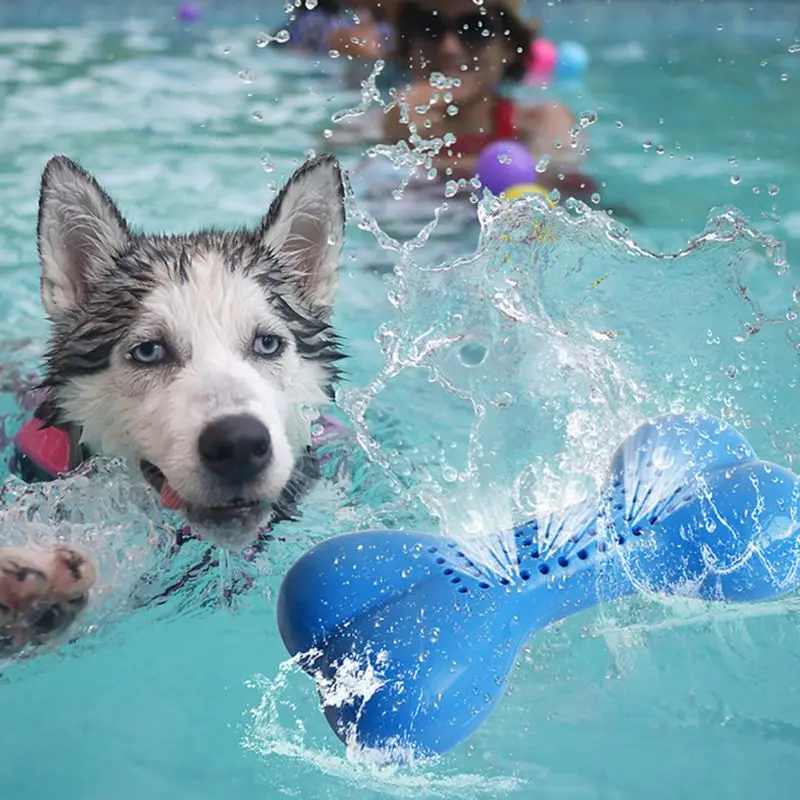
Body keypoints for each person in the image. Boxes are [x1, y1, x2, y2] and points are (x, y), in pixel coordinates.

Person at [384, 0, 595, 199]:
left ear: (509, 47)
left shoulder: (540, 123)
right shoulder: (382, 124)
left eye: (474, 28)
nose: (449, 48)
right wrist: (395, 136)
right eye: (428, 27)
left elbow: (567, 189)